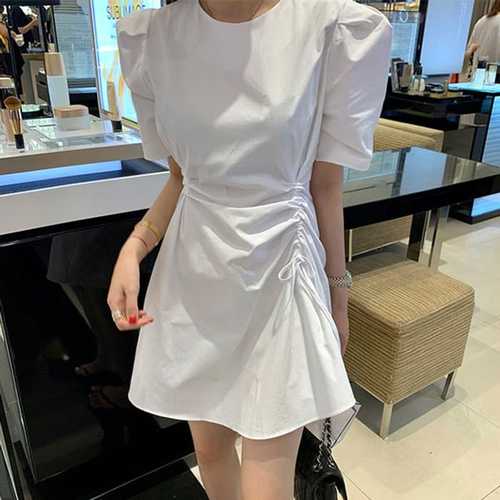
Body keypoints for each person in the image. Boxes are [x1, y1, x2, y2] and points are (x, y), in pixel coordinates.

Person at [108, 1, 392, 499]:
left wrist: (339, 297)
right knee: (212, 457)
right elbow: (182, 178)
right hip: (194, 278)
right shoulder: (155, 37)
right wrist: (134, 247)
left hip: (281, 269)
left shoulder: (327, 26)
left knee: (267, 483)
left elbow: (325, 185)